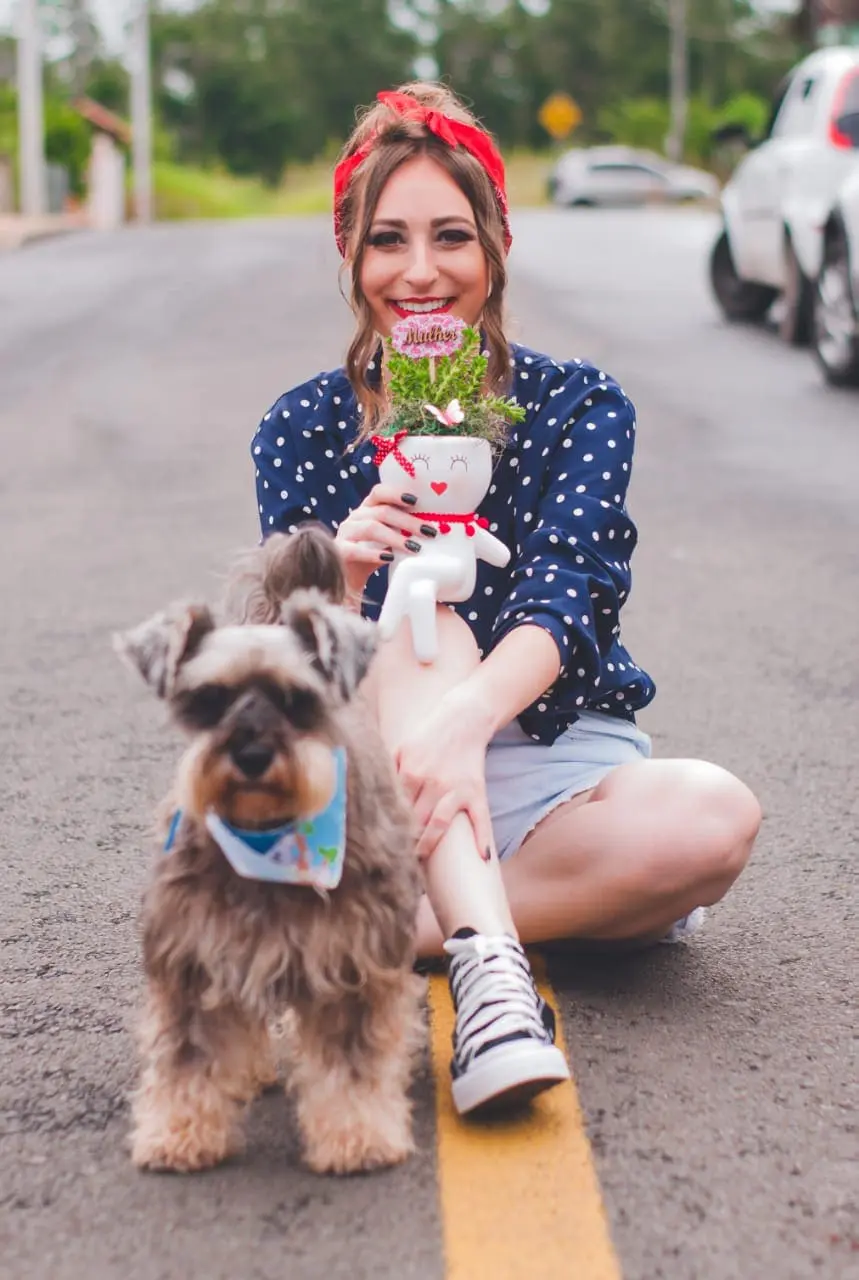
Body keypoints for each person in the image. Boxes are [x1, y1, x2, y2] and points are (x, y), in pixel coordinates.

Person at [251, 83, 762, 1117]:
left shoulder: (576, 403)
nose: (422, 271)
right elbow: (282, 678)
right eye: (388, 239)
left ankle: (375, 927)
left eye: (452, 235)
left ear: (495, 247)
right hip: (386, 774)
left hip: (550, 770)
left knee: (713, 818)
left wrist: (469, 722)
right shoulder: (302, 428)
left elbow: (565, 594)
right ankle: (492, 975)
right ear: (349, 252)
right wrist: (338, 581)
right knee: (421, 608)